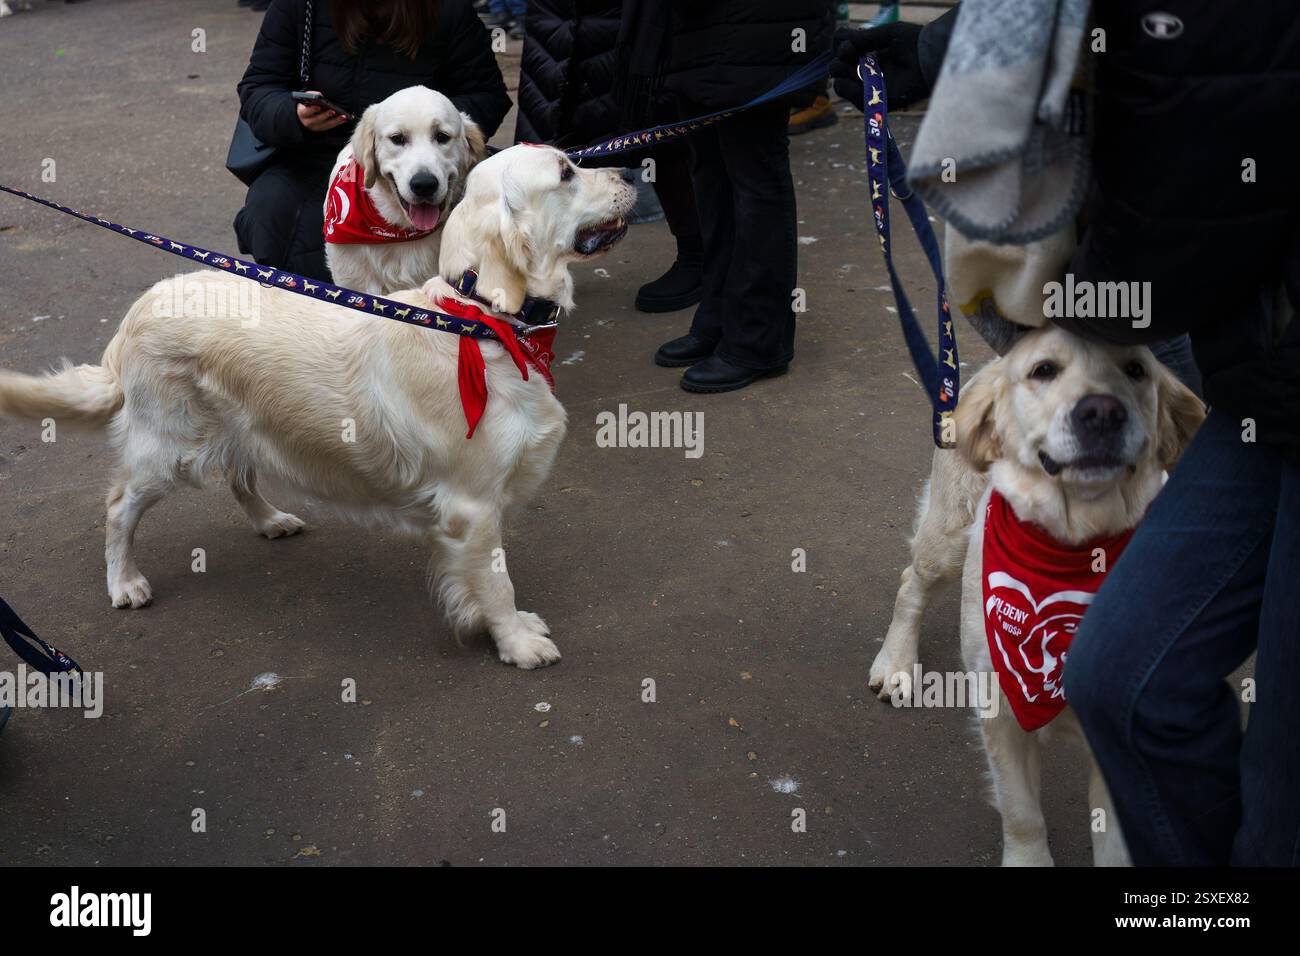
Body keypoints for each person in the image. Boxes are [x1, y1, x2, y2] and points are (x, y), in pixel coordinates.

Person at [833, 2, 1300, 865]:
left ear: (1161, 419)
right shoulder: (994, 430)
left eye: (1128, 381)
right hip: (1268, 387)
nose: (1098, 402)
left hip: (1257, 374)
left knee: (1279, 783)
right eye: (1046, 378)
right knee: (1070, 642)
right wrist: (937, 49)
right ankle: (907, 619)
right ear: (992, 426)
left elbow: (1212, 78)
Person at [233, 0, 512, 281]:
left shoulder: (449, 9)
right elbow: (259, 87)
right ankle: (311, 313)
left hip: (429, 161)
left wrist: (436, 120)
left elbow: (487, 94)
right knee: (271, 213)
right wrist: (293, 115)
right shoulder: (300, 6)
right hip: (313, 159)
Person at [649, 1, 835, 393]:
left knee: (755, 182)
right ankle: (718, 317)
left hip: (761, 30)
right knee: (711, 177)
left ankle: (758, 338)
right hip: (701, 34)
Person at [515, 0, 704, 314]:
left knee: (658, 131)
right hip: (555, 14)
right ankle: (535, 263)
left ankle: (697, 254)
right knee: (547, 129)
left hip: (627, 16)